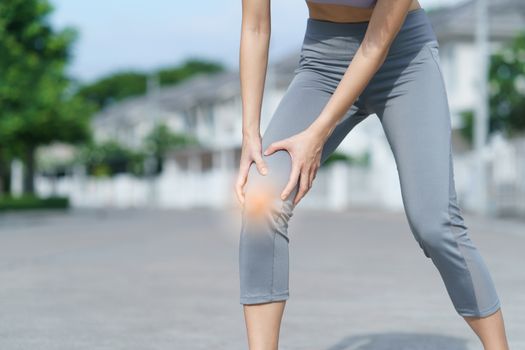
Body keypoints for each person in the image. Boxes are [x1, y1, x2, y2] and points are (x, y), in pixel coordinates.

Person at [235, 0, 510, 349]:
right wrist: (249, 135)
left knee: (435, 223)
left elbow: (375, 45)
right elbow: (256, 26)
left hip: (402, 57)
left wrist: (317, 133)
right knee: (262, 198)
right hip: (323, 62)